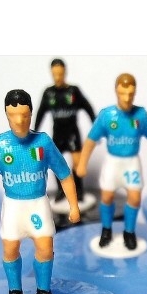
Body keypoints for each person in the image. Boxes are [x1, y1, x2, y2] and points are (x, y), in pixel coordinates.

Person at [0, 89, 80, 294]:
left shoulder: (43, 143)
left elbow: (64, 174)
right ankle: (15, 293)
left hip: (38, 204)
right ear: (6, 115)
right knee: (10, 249)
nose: (19, 121)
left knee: (45, 248)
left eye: (24, 115)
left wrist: (74, 205)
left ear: (31, 114)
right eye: (13, 115)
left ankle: (43, 292)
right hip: (13, 206)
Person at [75, 73, 147, 250]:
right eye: (123, 93)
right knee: (107, 196)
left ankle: (129, 232)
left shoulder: (141, 115)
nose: (127, 98)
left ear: (135, 93)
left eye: (131, 94)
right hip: (113, 162)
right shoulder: (107, 115)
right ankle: (106, 230)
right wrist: (82, 163)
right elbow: (91, 141)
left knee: (135, 198)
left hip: (131, 163)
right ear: (116, 91)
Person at [34, 58, 95, 201]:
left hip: (72, 132)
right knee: (56, 162)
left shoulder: (73, 91)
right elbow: (40, 113)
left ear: (65, 72)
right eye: (55, 74)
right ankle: (61, 190)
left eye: (60, 74)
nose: (58, 77)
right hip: (58, 133)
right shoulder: (48, 93)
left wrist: (95, 125)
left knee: (78, 161)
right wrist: (35, 132)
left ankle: (79, 190)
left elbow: (88, 107)